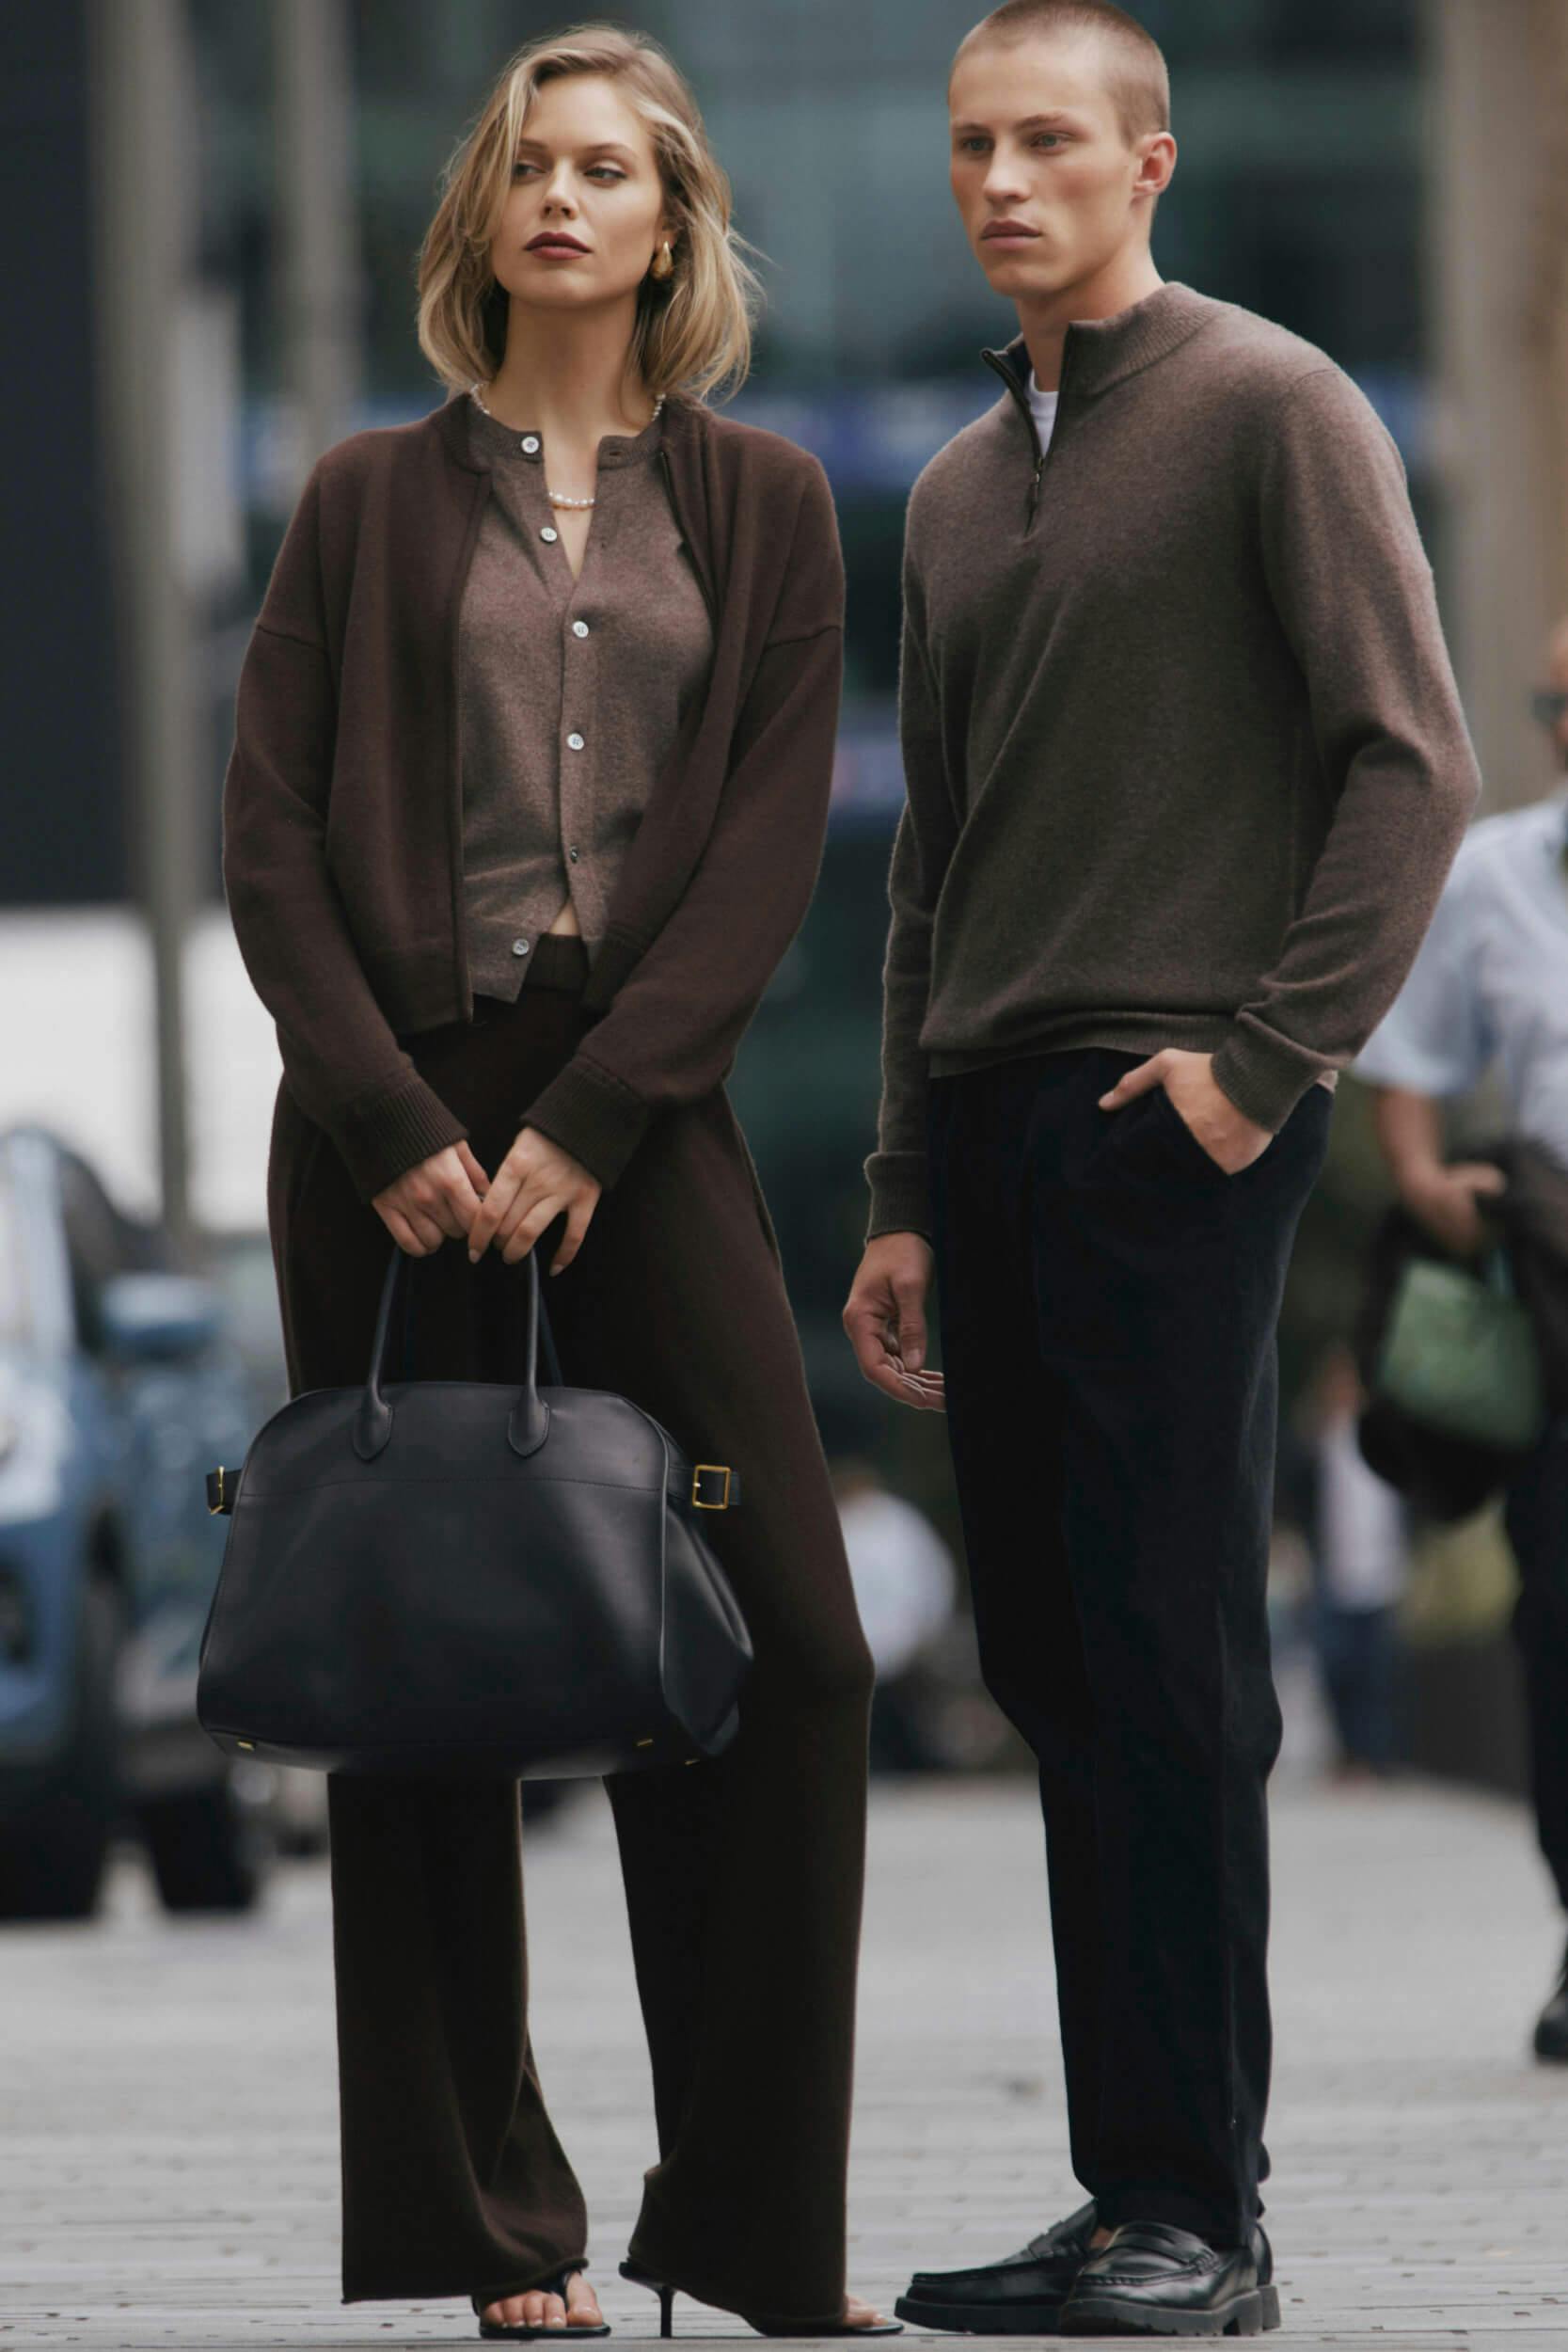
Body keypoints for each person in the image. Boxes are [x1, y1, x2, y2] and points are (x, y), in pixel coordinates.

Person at [221, 24, 896, 2342]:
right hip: (389, 1131)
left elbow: (764, 849)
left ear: (673, 219)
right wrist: (396, 1125)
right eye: (529, 162)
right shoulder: (361, 503)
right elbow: (271, 843)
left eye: (609, 166)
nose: (565, 197)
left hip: (643, 1119)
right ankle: (487, 2232)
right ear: (481, 214)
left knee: (793, 1648)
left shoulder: (775, 508)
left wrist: (592, 1120)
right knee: (419, 1667)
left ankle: (741, 2221)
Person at [841, 0, 1481, 2334]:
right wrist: (902, 1179)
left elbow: (1406, 766)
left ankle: (1201, 2219)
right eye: (967, 147)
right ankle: (1129, 2196)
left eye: (1042, 143)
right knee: (1056, 1659)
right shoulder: (946, 483)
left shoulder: (1271, 410)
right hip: (996, 1118)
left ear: (1151, 163)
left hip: (1167, 1111)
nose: (998, 179)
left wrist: (1261, 1064)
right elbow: (931, 867)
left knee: (1174, 1656)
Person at [1354, 612, 1568, 2064]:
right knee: (1553, 1622)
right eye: (1556, 703)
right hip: (1555, 1279)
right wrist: (1427, 1181)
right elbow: (1408, 1061)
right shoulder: (1495, 874)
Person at [1278, 1343, 1412, 1781]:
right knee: (1337, 1670)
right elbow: (1296, 1496)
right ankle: (1349, 1757)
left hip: (1381, 1571)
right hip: (1332, 1575)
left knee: (1377, 1673)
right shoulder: (1317, 1444)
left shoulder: (1382, 1440)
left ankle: (1377, 1759)